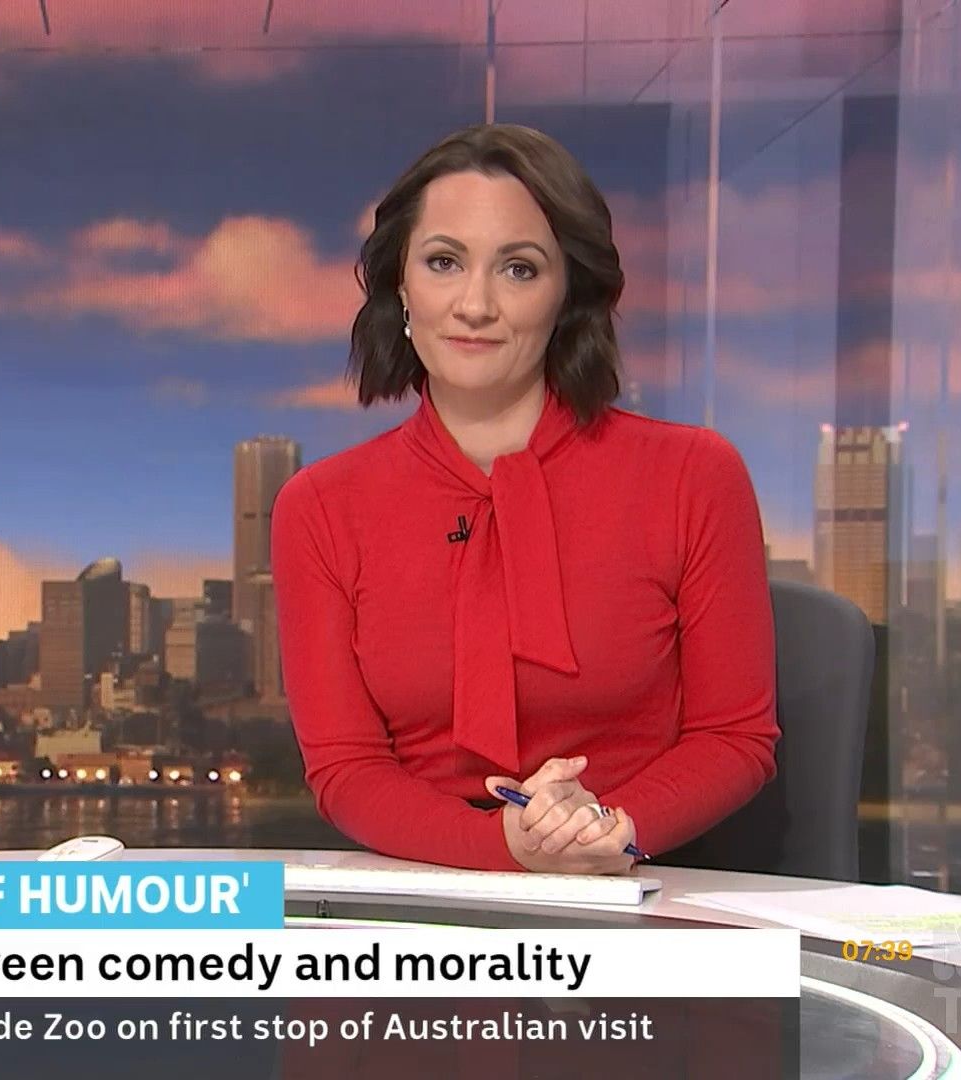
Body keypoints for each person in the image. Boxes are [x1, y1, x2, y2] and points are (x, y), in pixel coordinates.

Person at [271, 124, 778, 875]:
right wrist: (506, 848)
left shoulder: (693, 475)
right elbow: (345, 768)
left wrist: (609, 830)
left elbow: (735, 737)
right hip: (429, 890)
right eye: (444, 262)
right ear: (401, 287)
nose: (474, 304)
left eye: (519, 269)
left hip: (639, 875)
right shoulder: (319, 507)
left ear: (568, 294)